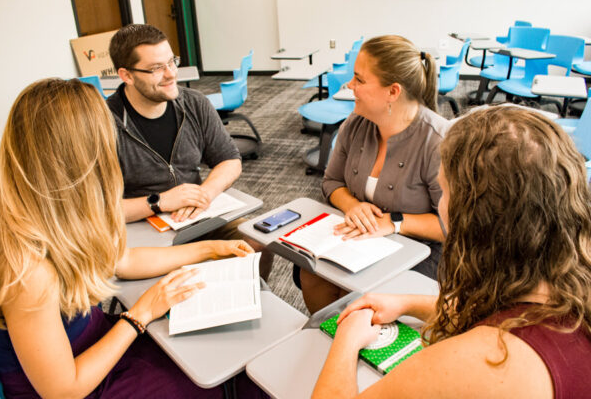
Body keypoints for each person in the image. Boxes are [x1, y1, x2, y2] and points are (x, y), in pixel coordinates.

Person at [0, 78, 267, 398]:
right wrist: (140, 315)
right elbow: (63, 390)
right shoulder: (27, 269)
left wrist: (209, 249)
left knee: (219, 361)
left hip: (94, 345)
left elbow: (124, 259)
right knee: (211, 380)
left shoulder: (53, 208)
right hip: (76, 380)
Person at [312, 106, 591, 398]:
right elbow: (504, 313)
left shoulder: (485, 362)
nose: (440, 204)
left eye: (443, 191)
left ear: (476, 216)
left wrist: (345, 339)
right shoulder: (567, 287)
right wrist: (406, 303)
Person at [296, 35, 449, 313]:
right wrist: (353, 206)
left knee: (359, 294)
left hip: (423, 249)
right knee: (311, 272)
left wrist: (394, 222)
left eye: (359, 80)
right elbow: (331, 182)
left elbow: (455, 225)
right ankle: (331, 344)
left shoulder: (438, 141)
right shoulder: (356, 123)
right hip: (363, 238)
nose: (349, 86)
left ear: (393, 92)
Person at [106, 24, 272, 279]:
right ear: (126, 75)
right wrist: (159, 202)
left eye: (171, 62)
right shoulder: (103, 124)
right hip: (141, 232)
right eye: (156, 68)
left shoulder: (194, 103)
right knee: (181, 285)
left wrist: (205, 193)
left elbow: (230, 160)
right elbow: (96, 211)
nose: (171, 74)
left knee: (256, 245)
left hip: (196, 219)